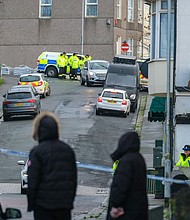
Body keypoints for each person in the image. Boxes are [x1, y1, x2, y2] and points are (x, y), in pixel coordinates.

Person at [27, 111, 77, 220]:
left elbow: (32, 181)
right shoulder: (68, 150)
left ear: (38, 130)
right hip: (64, 207)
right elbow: (73, 179)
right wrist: (69, 201)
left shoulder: (37, 152)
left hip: (43, 206)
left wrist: (31, 204)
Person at [106, 131, 148, 220]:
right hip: (138, 209)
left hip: (126, 210)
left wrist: (115, 205)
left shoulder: (126, 161)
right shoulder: (139, 159)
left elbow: (120, 185)